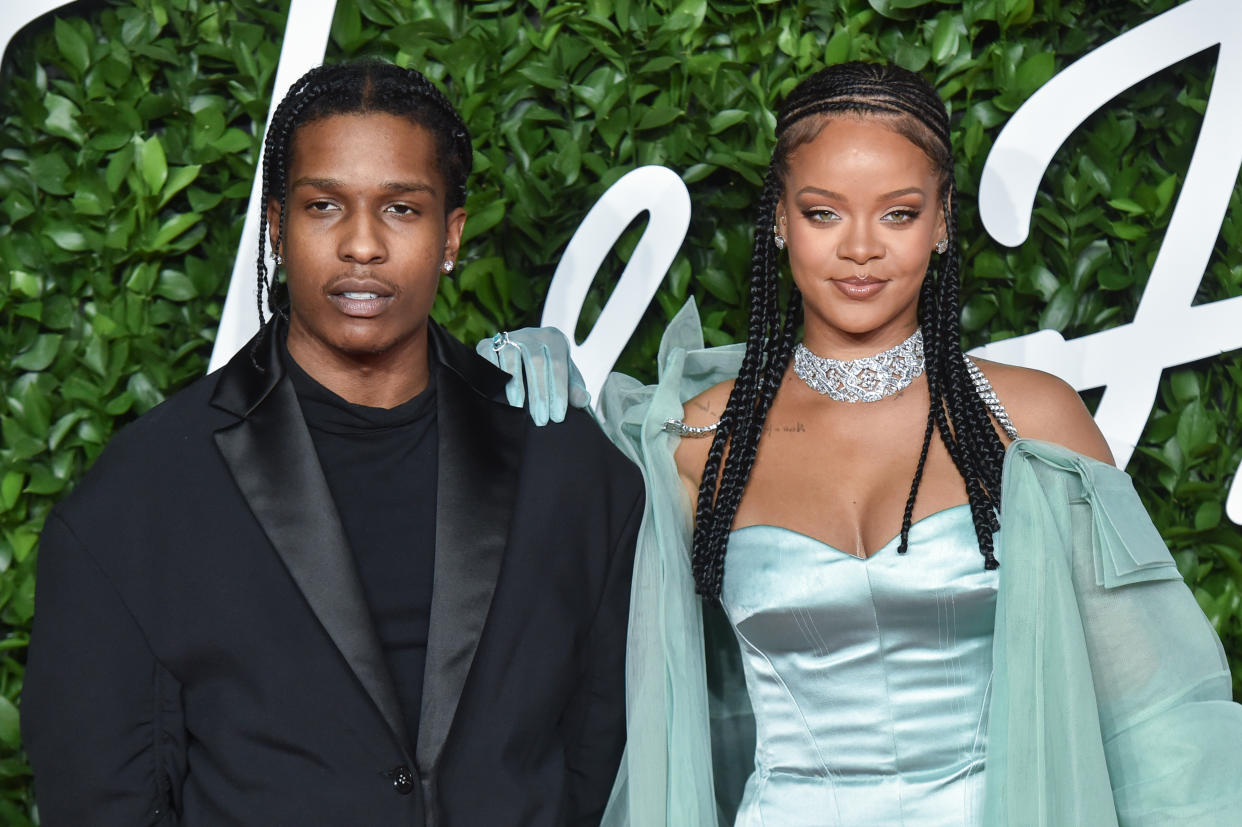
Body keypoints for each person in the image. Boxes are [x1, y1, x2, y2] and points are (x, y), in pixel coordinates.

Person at [491, 61, 1242, 825]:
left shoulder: (1032, 423)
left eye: (898, 213)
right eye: (823, 213)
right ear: (780, 217)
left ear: (944, 219)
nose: (859, 248)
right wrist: (502, 395)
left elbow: (1158, 725)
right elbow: (539, 638)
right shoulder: (693, 441)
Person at [21, 60, 643, 826]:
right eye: (324, 206)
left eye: (402, 210)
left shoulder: (570, 471)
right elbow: (101, 800)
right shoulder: (139, 500)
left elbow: (601, 765)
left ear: (452, 234)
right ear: (278, 228)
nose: (362, 245)